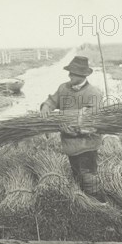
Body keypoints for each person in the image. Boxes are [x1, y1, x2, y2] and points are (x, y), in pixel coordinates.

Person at [39, 56, 104, 198]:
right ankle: (83, 203)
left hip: (87, 145)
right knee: (77, 176)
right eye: (70, 72)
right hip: (69, 144)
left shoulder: (93, 93)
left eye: (73, 73)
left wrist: (77, 131)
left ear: (83, 75)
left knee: (89, 179)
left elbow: (94, 124)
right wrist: (46, 106)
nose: (69, 75)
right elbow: (52, 100)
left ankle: (100, 203)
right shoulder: (63, 88)